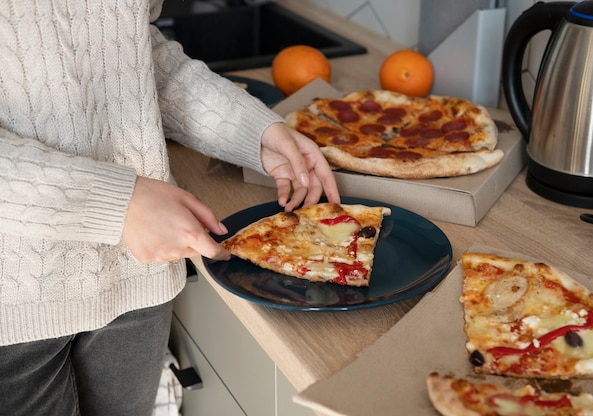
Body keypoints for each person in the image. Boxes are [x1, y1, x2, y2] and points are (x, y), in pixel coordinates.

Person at [0, 0, 340, 415]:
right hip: (14, 298)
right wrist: (116, 203)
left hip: (138, 278)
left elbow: (132, 51)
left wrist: (250, 128)